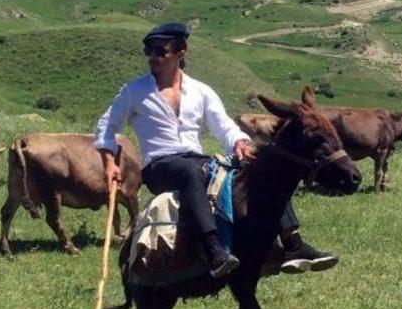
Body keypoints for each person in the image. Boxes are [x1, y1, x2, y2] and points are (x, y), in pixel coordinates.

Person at [94, 22, 337, 278]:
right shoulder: (134, 91)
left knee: (261, 168)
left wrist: (239, 143)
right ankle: (214, 251)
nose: (152, 57)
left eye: (160, 51)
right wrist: (109, 161)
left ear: (180, 53)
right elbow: (106, 126)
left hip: (198, 160)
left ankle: (292, 243)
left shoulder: (200, 91)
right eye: (149, 51)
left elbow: (223, 125)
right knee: (191, 171)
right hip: (160, 165)